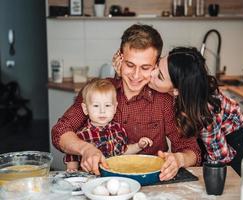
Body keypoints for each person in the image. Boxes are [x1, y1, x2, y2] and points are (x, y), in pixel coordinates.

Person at [51, 24, 201, 180]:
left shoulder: (164, 100)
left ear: (156, 66)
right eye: (130, 65)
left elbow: (192, 150)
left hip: (149, 185)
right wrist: (85, 149)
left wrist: (179, 159)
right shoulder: (97, 90)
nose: (136, 76)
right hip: (99, 182)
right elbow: (60, 131)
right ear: (119, 58)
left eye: (145, 67)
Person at [148, 47, 243, 175]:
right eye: (157, 65)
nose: (152, 73)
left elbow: (220, 158)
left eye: (160, 76)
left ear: (176, 90)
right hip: (208, 135)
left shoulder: (205, 112)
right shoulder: (184, 92)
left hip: (233, 141)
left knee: (222, 178)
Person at [64, 79, 153, 172]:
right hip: (91, 177)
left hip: (115, 175)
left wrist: (138, 146)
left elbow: (123, 152)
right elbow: (72, 156)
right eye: (96, 106)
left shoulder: (118, 129)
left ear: (114, 108)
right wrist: (72, 169)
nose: (102, 111)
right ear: (85, 109)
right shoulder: (81, 135)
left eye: (107, 106)